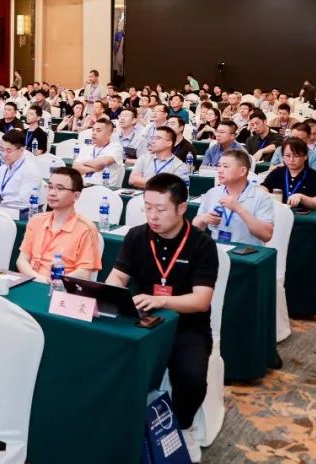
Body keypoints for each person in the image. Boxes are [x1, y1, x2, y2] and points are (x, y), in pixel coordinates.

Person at [105, 174, 217, 463]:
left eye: (161, 209)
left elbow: (201, 300)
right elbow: (117, 277)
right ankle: (117, 426)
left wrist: (162, 300)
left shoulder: (202, 244)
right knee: (107, 358)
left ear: (182, 208)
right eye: (147, 208)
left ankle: (185, 426)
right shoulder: (137, 236)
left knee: (192, 377)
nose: (152, 216)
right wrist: (110, 293)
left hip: (186, 325)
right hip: (141, 321)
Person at [17, 167, 101, 282]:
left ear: (76, 195)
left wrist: (55, 282)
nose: (52, 193)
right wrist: (40, 279)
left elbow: (84, 273)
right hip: (32, 281)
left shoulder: (86, 228)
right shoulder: (36, 220)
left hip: (61, 287)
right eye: (50, 187)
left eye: (60, 188)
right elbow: (22, 260)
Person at [196, 150, 274, 246]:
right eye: (219, 166)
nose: (219, 170)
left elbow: (266, 235)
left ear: (242, 171)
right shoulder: (213, 193)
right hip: (217, 251)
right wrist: (202, 219)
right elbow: (195, 228)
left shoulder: (261, 197)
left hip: (247, 252)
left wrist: (238, 209)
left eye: (225, 166)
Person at [0, 129, 42, 209]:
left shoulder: (30, 170)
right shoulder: (2, 169)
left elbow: (24, 202)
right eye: (2, 150)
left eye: (9, 151)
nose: (4, 154)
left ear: (21, 150)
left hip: (18, 213)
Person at [261, 139, 316, 210]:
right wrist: (265, 193)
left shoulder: (315, 176)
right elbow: (264, 188)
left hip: (302, 215)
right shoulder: (277, 172)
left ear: (305, 157)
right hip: (278, 212)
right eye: (288, 155)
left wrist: (302, 197)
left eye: (296, 156)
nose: (291, 159)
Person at [73, 119, 125, 187]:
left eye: (98, 131)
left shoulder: (116, 147)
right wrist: (94, 168)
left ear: (109, 135)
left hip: (103, 188)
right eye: (93, 130)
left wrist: (83, 163)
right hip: (83, 186)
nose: (94, 133)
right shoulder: (86, 148)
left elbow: (103, 162)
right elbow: (75, 168)